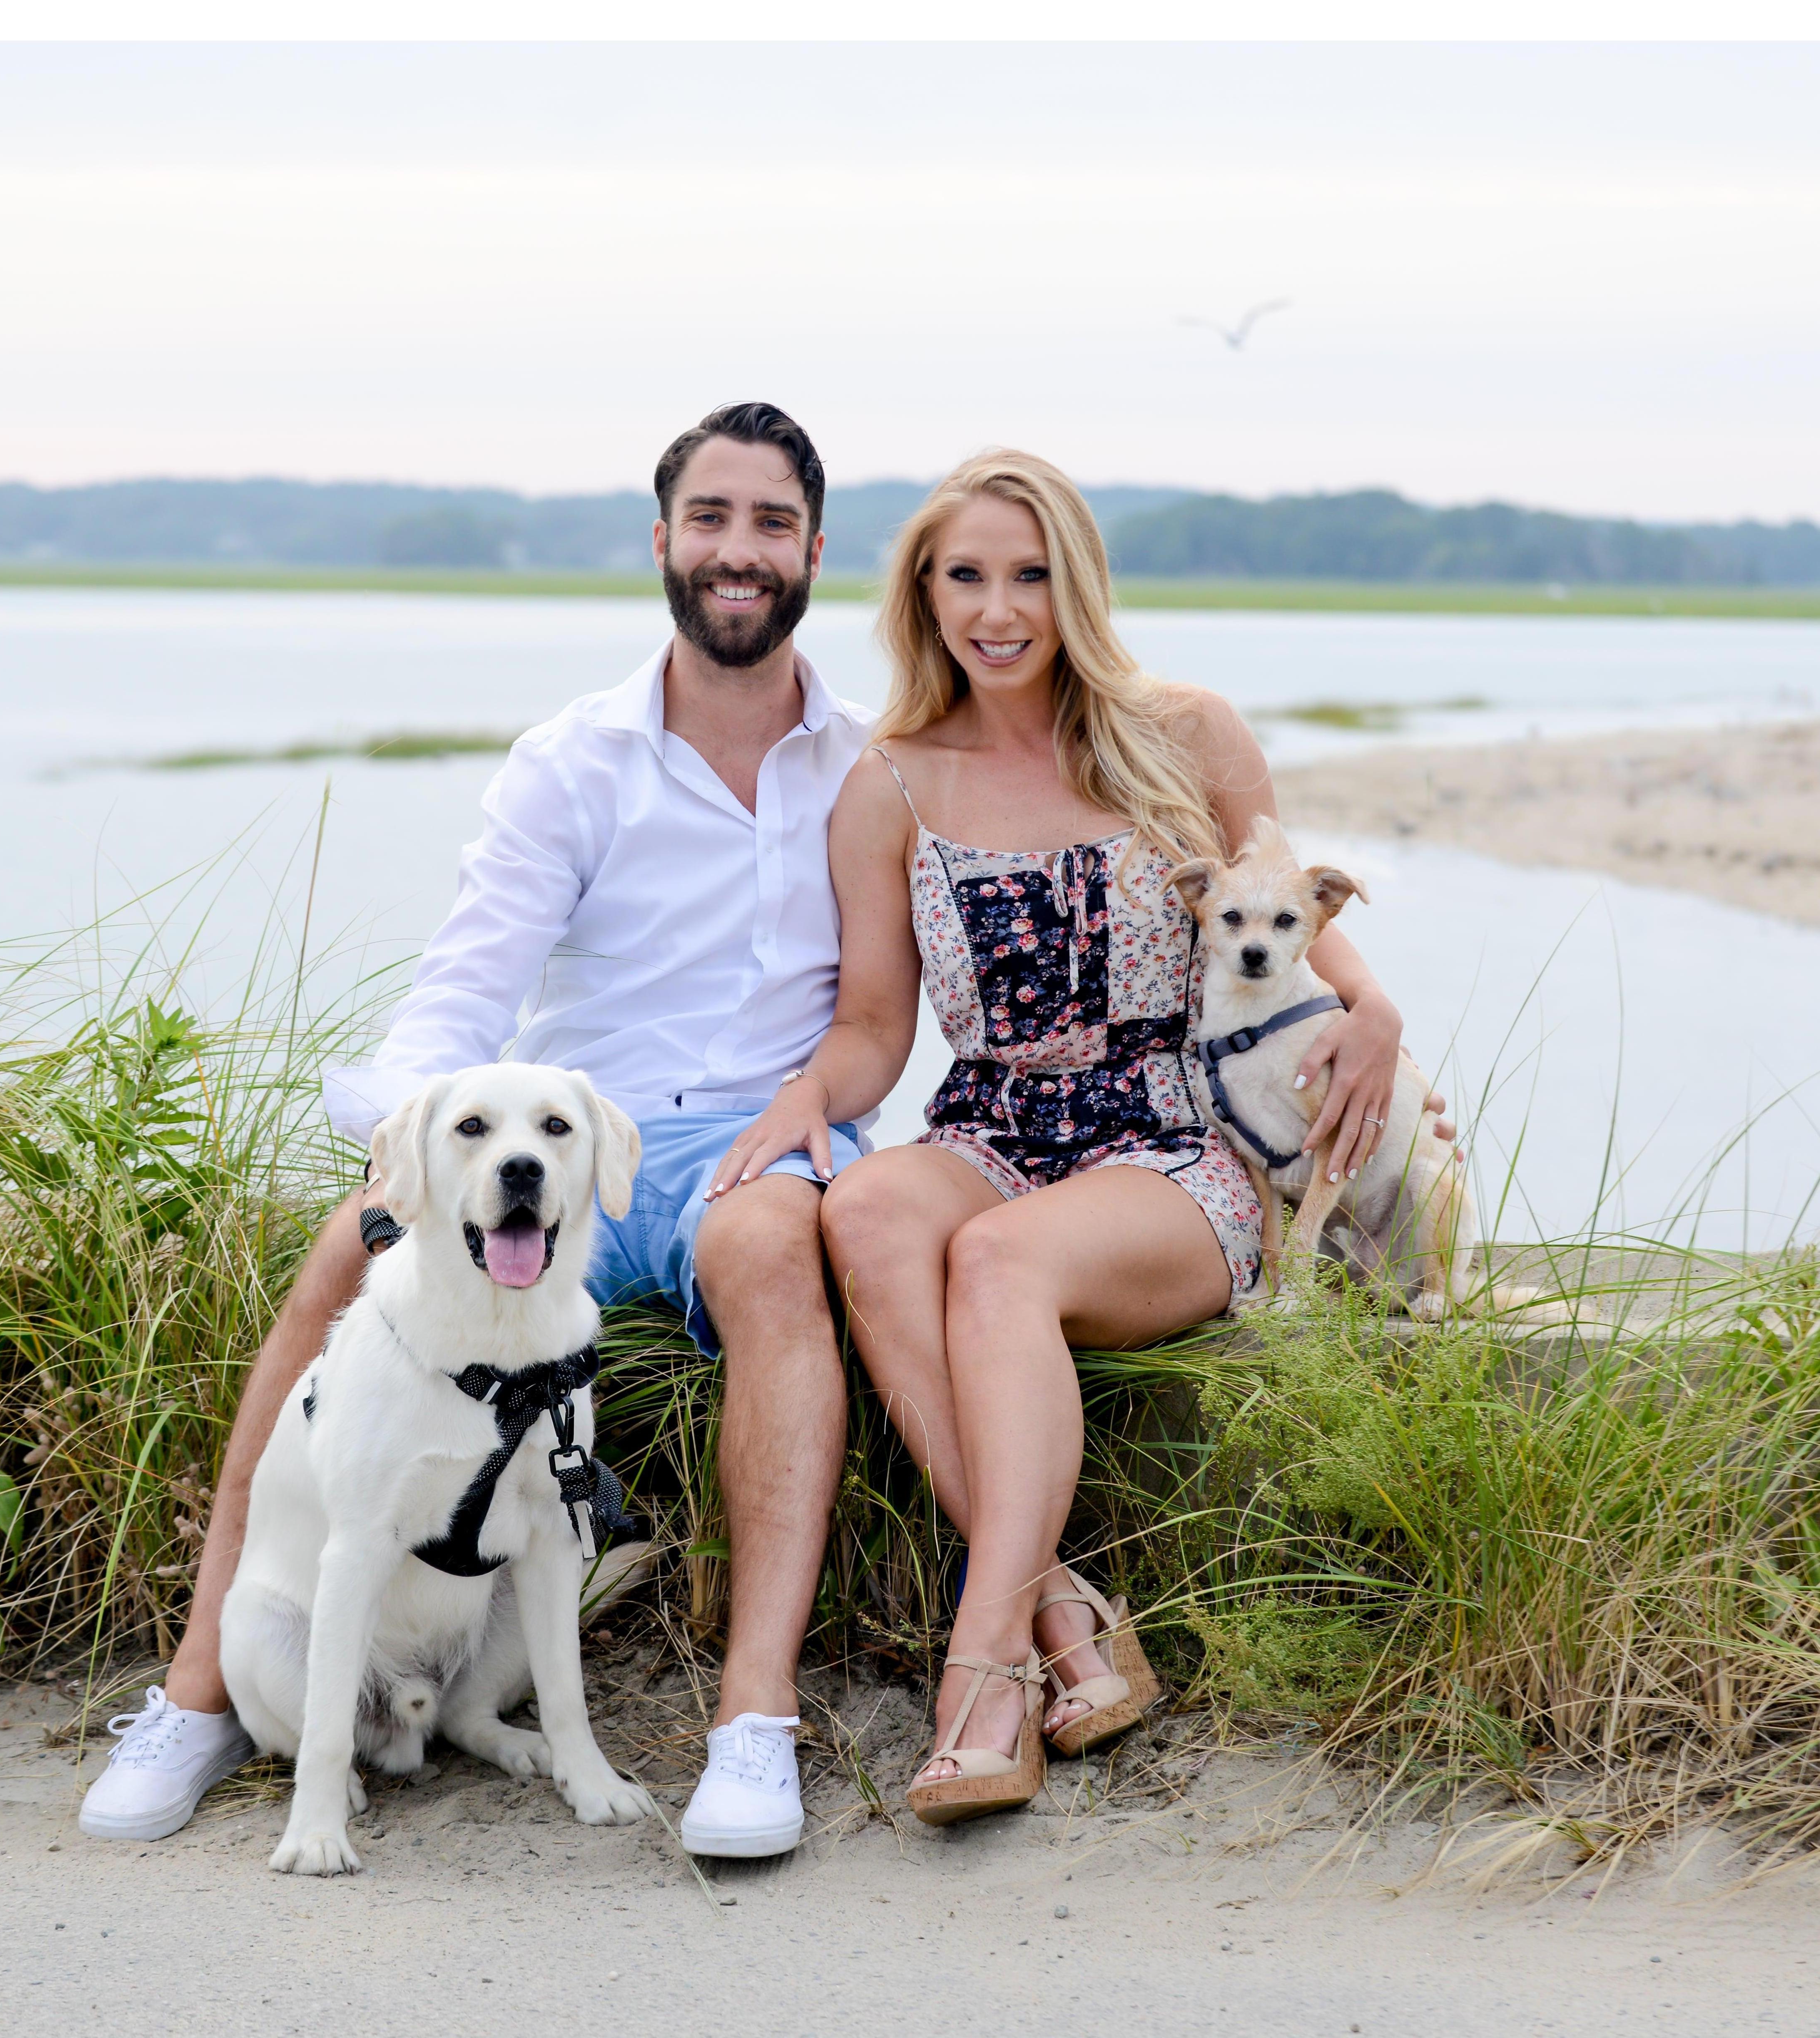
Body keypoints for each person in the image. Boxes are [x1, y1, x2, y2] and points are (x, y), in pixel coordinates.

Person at [79, 401, 872, 1860]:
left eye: (772, 522)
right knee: (346, 1254)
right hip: (571, 1144)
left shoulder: (866, 767)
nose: (739, 550)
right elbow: (466, 989)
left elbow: (886, 1009)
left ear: (816, 551)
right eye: (711, 518)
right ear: (664, 540)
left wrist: (814, 1107)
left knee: (770, 1253)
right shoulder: (572, 761)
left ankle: (752, 1722)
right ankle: (200, 1689)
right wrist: (402, 1157)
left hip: (759, 1142)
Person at [705, 450, 1436, 1822]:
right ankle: (1061, 1614)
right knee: (866, 1210)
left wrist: (1376, 1010)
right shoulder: (888, 783)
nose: (999, 611)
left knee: (998, 1261)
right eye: (966, 578)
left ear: (1078, 586)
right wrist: (809, 1094)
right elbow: (875, 1025)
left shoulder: (1186, 734)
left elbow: (1292, 916)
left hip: (1171, 1141)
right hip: (990, 1123)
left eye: (1030, 577)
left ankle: (986, 1672)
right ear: (924, 596)